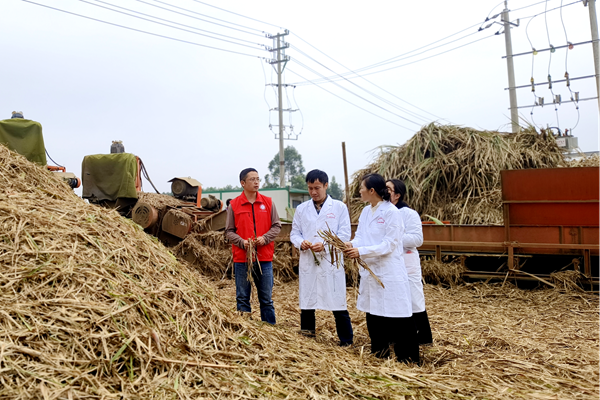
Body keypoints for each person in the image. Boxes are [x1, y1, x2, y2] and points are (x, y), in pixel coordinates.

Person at [344, 173, 419, 363]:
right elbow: (360, 236)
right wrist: (352, 244)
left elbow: (390, 244)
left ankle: (408, 358)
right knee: (374, 312)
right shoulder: (366, 211)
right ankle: (379, 353)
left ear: (371, 191)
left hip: (389, 272)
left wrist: (361, 251)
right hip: (371, 271)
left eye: (362, 187)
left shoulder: (391, 212)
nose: (359, 191)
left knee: (398, 315)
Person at [290, 169, 353, 346]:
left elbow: (344, 234)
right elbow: (295, 233)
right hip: (309, 260)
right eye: (310, 188)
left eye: (317, 187)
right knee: (307, 301)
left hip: (330, 261)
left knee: (337, 301)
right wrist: (301, 242)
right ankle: (307, 339)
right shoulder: (302, 209)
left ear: (326, 185)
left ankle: (346, 340)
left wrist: (325, 246)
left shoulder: (339, 207)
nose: (313, 192)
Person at [225, 168, 281, 324]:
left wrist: (265, 238)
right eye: (252, 179)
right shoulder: (234, 205)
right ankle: (245, 329)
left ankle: (270, 330)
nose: (256, 182)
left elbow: (276, 226)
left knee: (266, 299)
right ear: (243, 183)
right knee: (242, 297)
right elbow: (229, 231)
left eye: (258, 179)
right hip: (242, 259)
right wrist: (241, 242)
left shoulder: (268, 202)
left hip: (264, 258)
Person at [386, 179, 433, 345]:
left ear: (397, 195)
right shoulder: (382, 212)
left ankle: (425, 339)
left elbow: (417, 239)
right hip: (389, 264)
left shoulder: (408, 214)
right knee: (393, 301)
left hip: (406, 261)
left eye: (388, 189)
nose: (384, 191)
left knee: (414, 301)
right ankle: (395, 338)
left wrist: (393, 238)